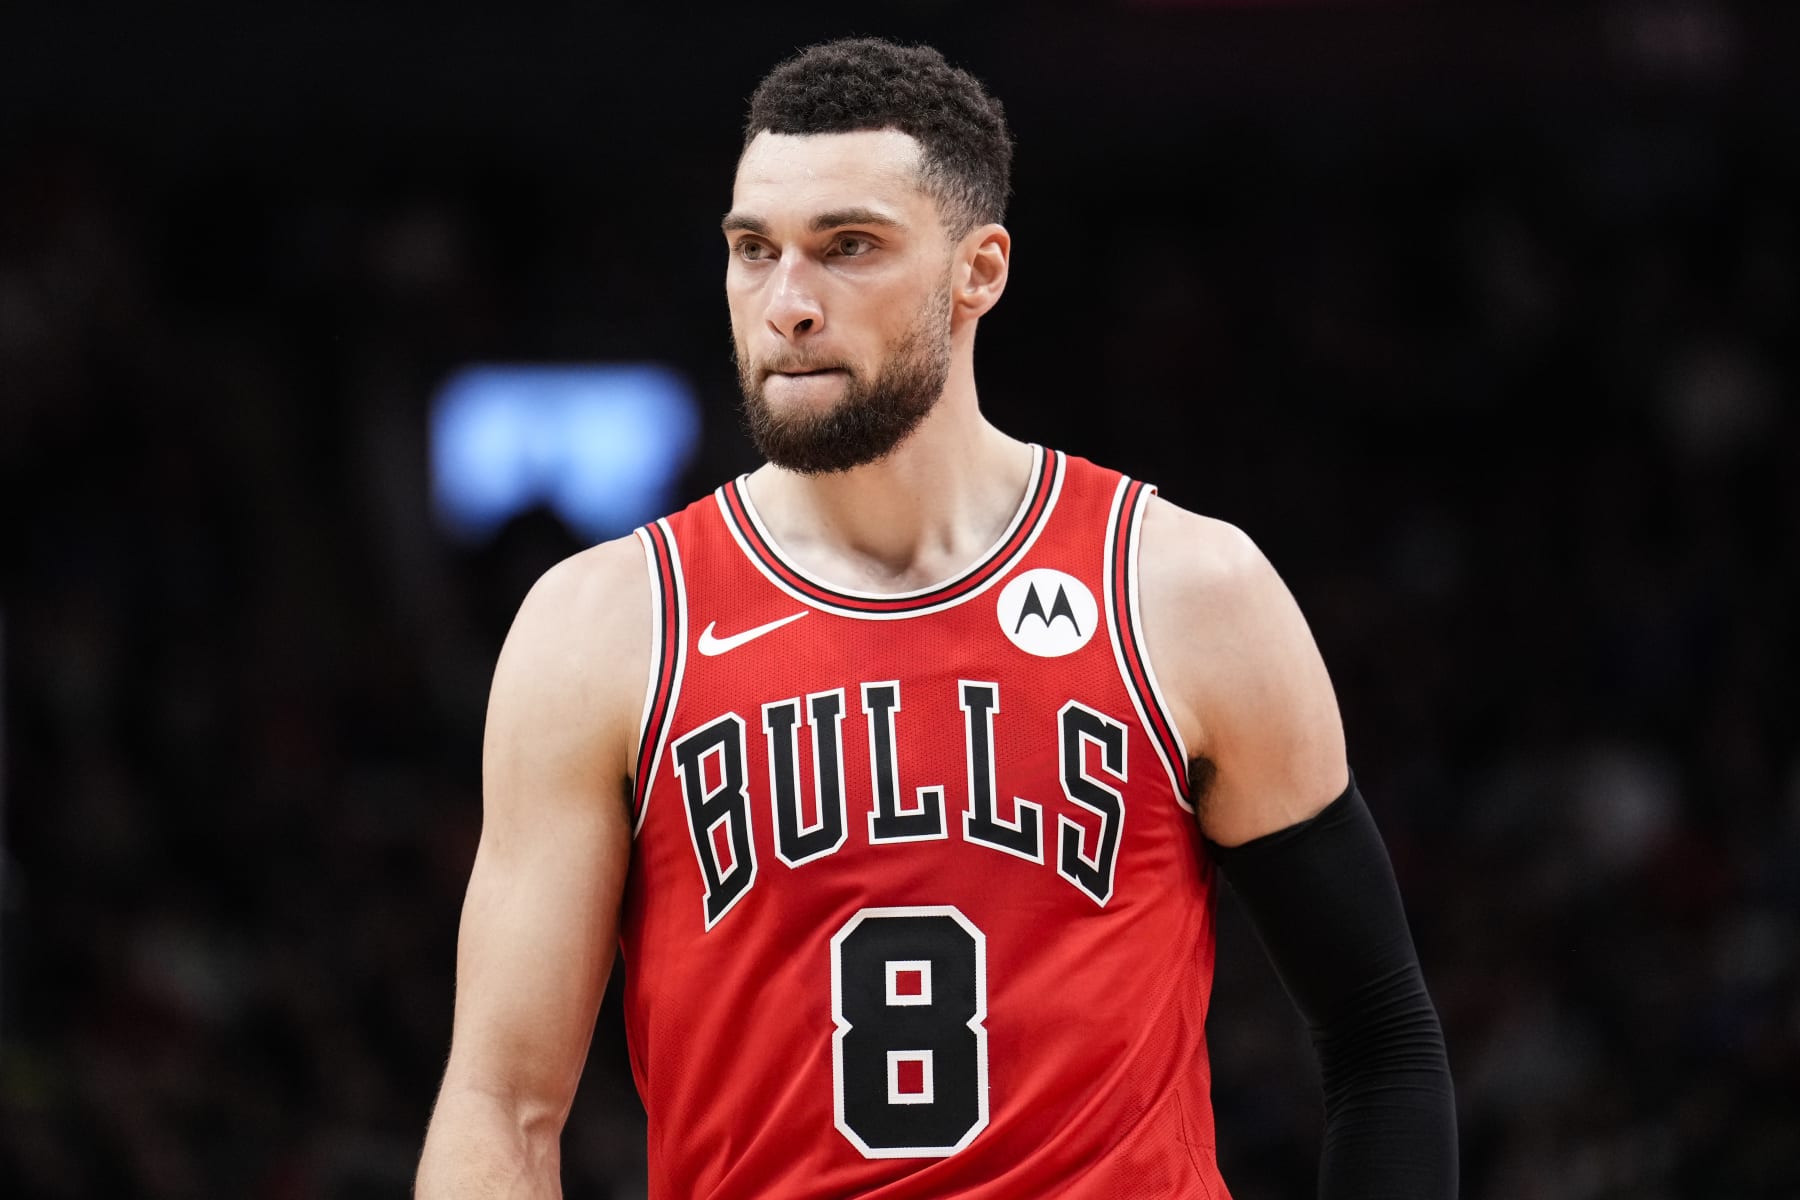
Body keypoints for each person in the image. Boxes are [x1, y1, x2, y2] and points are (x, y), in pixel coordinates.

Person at [417, 37, 1457, 1199]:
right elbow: (500, 1109)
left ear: (981, 270)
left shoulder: (1186, 591)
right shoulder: (604, 627)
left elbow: (1383, 1040)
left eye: (847, 247)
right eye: (753, 252)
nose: (789, 304)